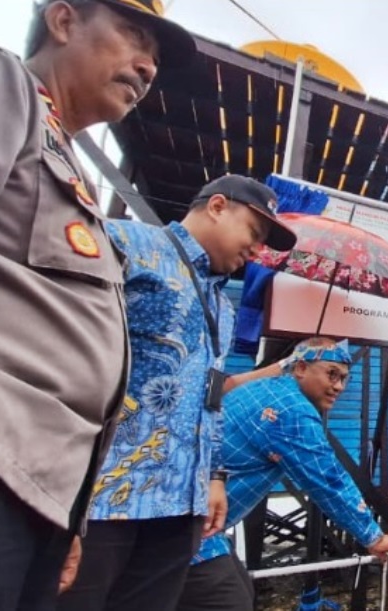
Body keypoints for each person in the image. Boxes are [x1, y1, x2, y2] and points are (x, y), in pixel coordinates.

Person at [0, 1, 194, 608]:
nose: (148, 67)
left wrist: (69, 512)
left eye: (155, 56)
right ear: (64, 21)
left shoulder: (70, 164)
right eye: (134, 36)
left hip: (38, 490)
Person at [59, 175, 297, 611]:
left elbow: (209, 397)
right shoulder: (125, 244)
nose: (257, 251)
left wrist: (214, 476)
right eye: (254, 233)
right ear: (218, 206)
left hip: (179, 509)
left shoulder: (222, 308)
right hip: (104, 498)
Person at [177, 338, 388, 611]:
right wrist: (374, 537)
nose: (339, 386)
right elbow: (327, 481)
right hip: (187, 530)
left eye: (344, 378)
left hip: (188, 520)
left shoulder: (265, 387)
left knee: (239, 588)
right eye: (331, 374)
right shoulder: (292, 411)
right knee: (229, 601)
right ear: (300, 368)